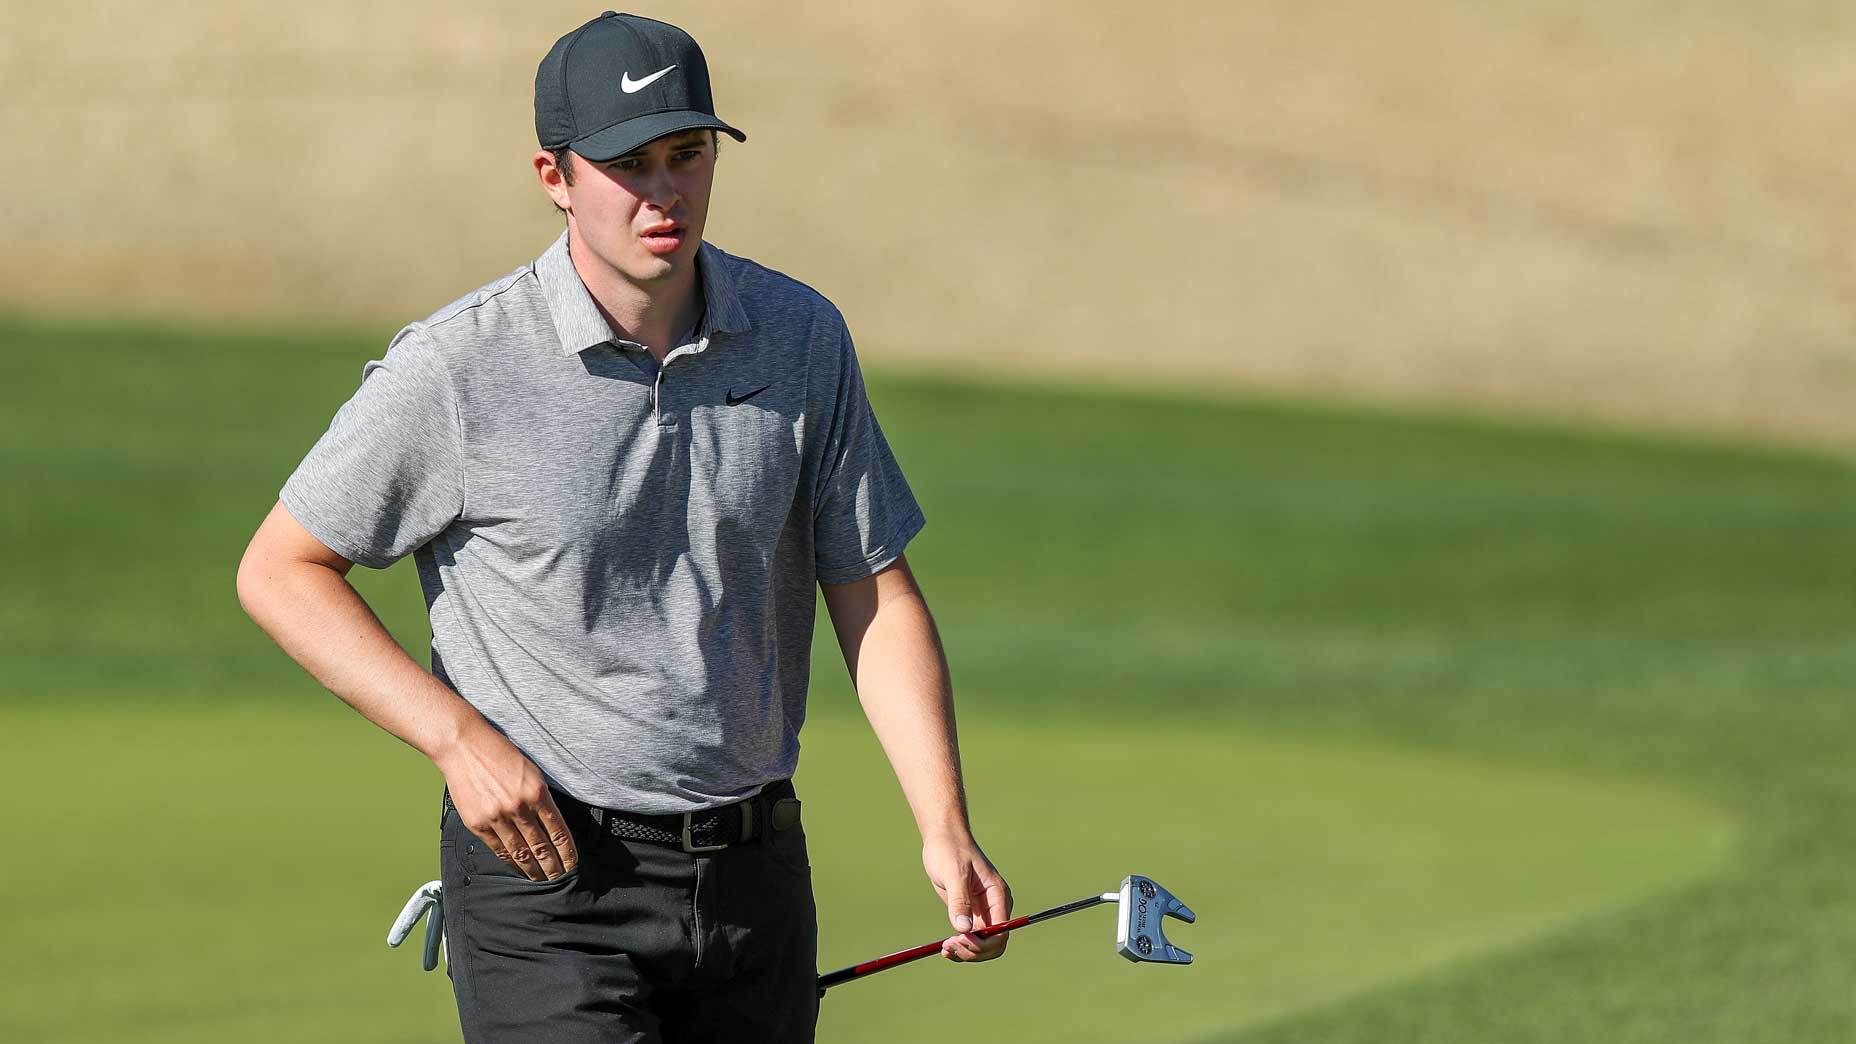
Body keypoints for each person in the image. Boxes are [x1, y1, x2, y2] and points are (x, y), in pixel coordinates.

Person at [235, 11, 1011, 1042]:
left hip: (755, 874)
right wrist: (457, 739)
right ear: (554, 177)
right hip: (548, 879)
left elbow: (872, 588)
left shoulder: (800, 336)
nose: (665, 191)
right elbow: (281, 570)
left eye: (687, 154)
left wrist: (943, 824)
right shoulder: (459, 365)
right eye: (628, 164)